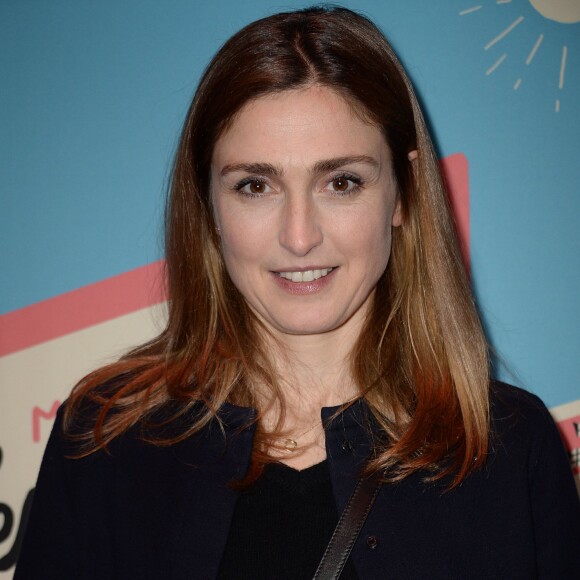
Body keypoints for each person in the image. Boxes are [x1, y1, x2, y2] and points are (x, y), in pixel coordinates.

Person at [15, 6, 580, 579]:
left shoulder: (508, 449)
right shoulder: (104, 443)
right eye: (255, 186)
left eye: (341, 182)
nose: (300, 236)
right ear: (208, 204)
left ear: (403, 194)